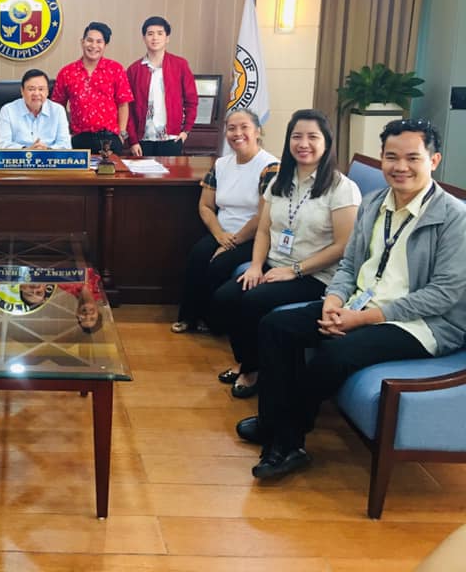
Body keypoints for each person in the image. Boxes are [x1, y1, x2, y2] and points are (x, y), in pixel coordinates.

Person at [238, 119, 466, 480]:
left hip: (422, 325)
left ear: (434, 160)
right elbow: (349, 264)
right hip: (357, 303)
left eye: (412, 158)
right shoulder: (375, 202)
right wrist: (334, 299)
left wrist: (362, 318)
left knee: (336, 353)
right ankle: (273, 422)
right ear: (382, 158)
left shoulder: (455, 218)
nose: (400, 167)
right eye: (392, 157)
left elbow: (443, 295)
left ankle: (286, 442)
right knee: (276, 326)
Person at [208, 109, 360, 398]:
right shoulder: (280, 182)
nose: (304, 143)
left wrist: (295, 270)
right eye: (297, 136)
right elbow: (264, 230)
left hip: (316, 275)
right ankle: (248, 360)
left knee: (253, 301)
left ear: (327, 142)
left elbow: (343, 246)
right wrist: (255, 266)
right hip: (274, 263)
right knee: (224, 298)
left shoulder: (342, 188)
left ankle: (252, 370)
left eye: (312, 137)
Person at [172, 109, 279, 334]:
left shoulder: (271, 167)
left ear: (258, 132)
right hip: (222, 232)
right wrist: (219, 235)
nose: (237, 133)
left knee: (219, 265)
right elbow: (206, 206)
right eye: (231, 128)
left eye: (244, 128)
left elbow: (262, 217)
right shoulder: (221, 164)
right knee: (197, 256)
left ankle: (213, 322)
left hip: (254, 237)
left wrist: (231, 243)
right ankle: (189, 317)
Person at [52, 21, 133, 151]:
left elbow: (123, 104)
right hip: (78, 138)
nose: (93, 46)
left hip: (110, 138)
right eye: (89, 40)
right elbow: (57, 107)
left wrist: (122, 134)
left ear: (105, 45)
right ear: (82, 42)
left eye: (99, 42)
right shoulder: (67, 72)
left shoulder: (115, 69)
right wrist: (64, 135)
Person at [126, 16, 198, 156]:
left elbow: (192, 100)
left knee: (170, 176)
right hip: (143, 139)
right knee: (141, 177)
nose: (155, 38)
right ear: (144, 38)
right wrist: (133, 140)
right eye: (150, 33)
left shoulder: (180, 65)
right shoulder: (134, 70)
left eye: (160, 33)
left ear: (167, 38)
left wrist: (186, 131)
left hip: (172, 138)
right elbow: (127, 108)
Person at [0, 69, 71, 150]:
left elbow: (65, 144)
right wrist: (27, 150)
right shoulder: (8, 111)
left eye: (41, 89)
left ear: (47, 91)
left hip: (50, 159)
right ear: (22, 91)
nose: (36, 94)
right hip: (17, 159)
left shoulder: (58, 111)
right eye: (31, 89)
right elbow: (1, 143)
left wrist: (47, 150)